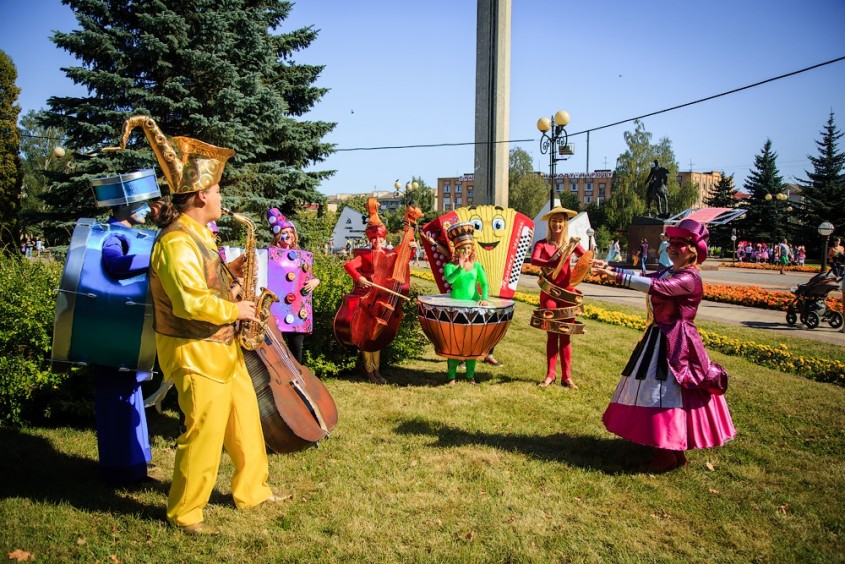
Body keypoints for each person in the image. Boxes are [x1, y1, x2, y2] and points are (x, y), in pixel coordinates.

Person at [110, 116, 284, 535]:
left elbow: (206, 285)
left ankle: (253, 490)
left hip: (221, 346)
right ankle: (186, 512)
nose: (222, 197)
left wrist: (232, 274)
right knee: (204, 430)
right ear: (202, 194)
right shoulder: (175, 242)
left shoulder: (200, 236)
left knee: (244, 418)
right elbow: (188, 302)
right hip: (193, 350)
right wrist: (237, 312)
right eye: (218, 190)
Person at [591, 218, 736, 472]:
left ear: (694, 250)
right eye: (671, 242)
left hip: (676, 342)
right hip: (661, 336)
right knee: (661, 390)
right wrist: (609, 267)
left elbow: (656, 286)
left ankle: (667, 451)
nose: (672, 247)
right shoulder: (672, 271)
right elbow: (645, 277)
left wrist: (615, 275)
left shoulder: (689, 278)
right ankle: (672, 449)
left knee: (667, 390)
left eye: (680, 244)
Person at [91, 190, 159, 485]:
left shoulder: (132, 234)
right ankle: (119, 470)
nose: (146, 209)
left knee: (130, 396)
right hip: (113, 332)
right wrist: (157, 256)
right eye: (140, 204)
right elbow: (115, 264)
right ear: (123, 205)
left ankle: (135, 466)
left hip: (127, 329)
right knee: (117, 401)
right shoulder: (112, 234)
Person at [530, 206, 586, 389]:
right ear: (549, 223)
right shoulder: (541, 243)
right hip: (549, 293)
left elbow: (586, 257)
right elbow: (534, 259)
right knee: (552, 333)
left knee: (566, 334)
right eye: (554, 221)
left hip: (568, 294)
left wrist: (594, 262)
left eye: (560, 220)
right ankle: (550, 375)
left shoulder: (570, 244)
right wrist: (550, 262)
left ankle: (567, 377)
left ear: (565, 223)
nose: (557, 224)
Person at [342, 210, 393, 384]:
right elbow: (349, 266)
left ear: (384, 238)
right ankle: (369, 370)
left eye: (380, 238)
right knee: (366, 333)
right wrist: (359, 278)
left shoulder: (388, 254)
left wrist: (411, 249)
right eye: (374, 238)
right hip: (367, 299)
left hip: (381, 298)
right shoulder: (365, 254)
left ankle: (376, 369)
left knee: (376, 334)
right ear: (370, 239)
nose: (378, 241)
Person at [267, 208, 320, 364]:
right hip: (276, 309)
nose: (289, 235)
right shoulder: (270, 254)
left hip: (296, 309)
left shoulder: (301, 256)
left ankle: (297, 374)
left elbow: (306, 276)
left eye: (291, 232)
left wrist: (316, 281)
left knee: (296, 349)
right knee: (276, 349)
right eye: (285, 232)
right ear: (277, 234)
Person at [443, 222, 490, 385]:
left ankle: (470, 376)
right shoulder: (449, 266)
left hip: (474, 307)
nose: (467, 251)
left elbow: (484, 284)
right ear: (457, 250)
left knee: (472, 342)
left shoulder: (477, 266)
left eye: (469, 248)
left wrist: (484, 297)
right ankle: (451, 377)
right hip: (455, 307)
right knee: (453, 342)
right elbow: (450, 280)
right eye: (463, 248)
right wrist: (460, 267)